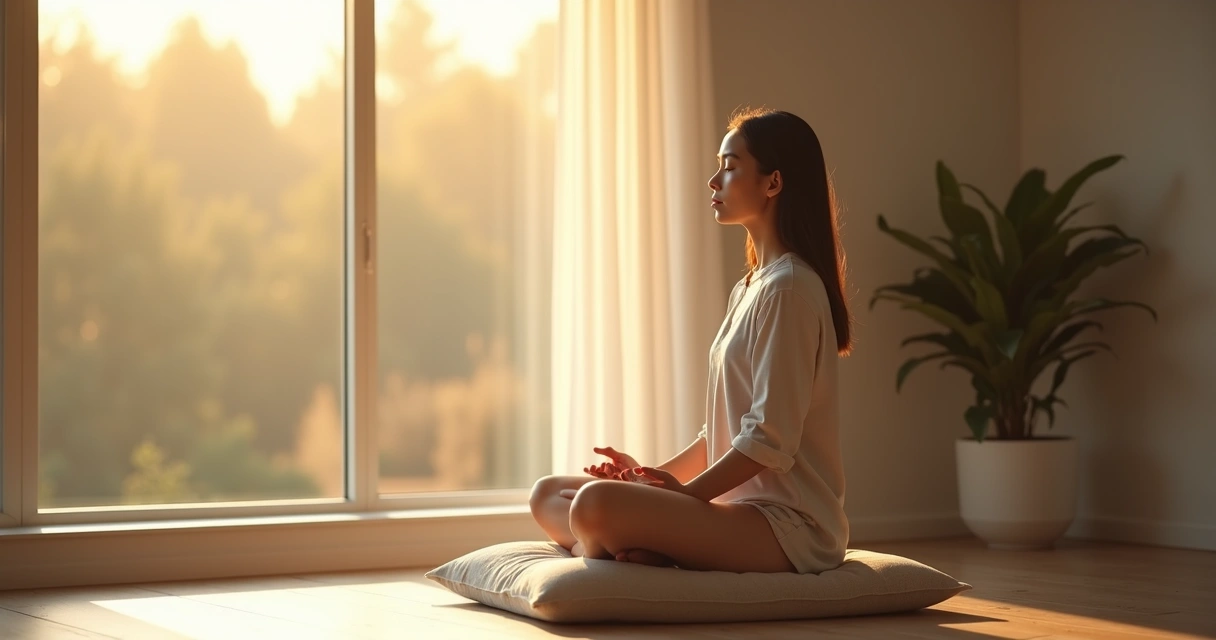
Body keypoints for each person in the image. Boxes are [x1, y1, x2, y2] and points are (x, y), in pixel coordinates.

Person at [529, 107, 854, 574]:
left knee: (593, 506)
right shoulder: (750, 287)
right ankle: (623, 550)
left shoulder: (791, 289)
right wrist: (647, 479)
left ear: (773, 183)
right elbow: (719, 434)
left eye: (729, 166)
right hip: (729, 511)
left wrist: (683, 495)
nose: (713, 180)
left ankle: (613, 548)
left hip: (786, 528)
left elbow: (767, 439)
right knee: (548, 494)